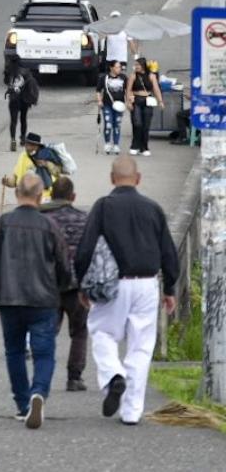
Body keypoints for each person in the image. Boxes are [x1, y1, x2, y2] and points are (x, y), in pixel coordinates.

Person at [74, 157, 179, 426]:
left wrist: (82, 283)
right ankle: (131, 411)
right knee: (141, 346)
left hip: (112, 283)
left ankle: (113, 375)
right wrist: (169, 287)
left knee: (102, 332)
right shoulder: (153, 208)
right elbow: (168, 250)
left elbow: (85, 248)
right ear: (138, 178)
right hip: (147, 283)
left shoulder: (103, 206)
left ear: (112, 179)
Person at [0, 172, 73, 430]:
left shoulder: (2, 223)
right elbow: (63, 264)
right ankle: (39, 392)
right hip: (43, 299)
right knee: (44, 353)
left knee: (15, 352)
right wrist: (62, 289)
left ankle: (22, 405)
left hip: (9, 298)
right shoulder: (49, 226)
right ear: (41, 196)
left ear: (16, 193)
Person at [40, 176, 90, 392]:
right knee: (79, 331)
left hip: (48, 285)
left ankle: (43, 374)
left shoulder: (42, 219)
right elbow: (89, 252)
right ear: (73, 196)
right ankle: (74, 377)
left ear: (51, 195)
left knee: (46, 332)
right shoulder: (84, 219)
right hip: (76, 285)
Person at [2, 132, 62, 200]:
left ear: (38, 146)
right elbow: (16, 178)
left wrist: (46, 164)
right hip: (25, 196)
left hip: (44, 197)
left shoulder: (47, 156)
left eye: (32, 145)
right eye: (27, 144)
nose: (28, 147)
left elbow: (57, 173)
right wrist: (8, 182)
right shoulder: (23, 156)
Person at [126, 56, 163, 156]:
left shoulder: (151, 76)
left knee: (146, 125)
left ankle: (144, 147)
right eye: (135, 65)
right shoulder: (133, 76)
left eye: (138, 65)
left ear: (143, 66)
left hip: (148, 100)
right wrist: (128, 102)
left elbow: (156, 89)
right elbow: (128, 89)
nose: (136, 67)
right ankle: (135, 146)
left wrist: (160, 101)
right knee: (137, 123)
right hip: (136, 100)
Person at [3, 56, 39, 152]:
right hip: (24, 100)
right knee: (23, 119)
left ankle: (13, 140)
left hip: (13, 100)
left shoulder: (9, 72)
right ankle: (23, 139)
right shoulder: (26, 71)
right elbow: (31, 84)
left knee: (13, 121)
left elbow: (6, 82)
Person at [95, 60, 129, 154]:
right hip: (107, 105)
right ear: (111, 68)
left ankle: (116, 144)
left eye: (120, 67)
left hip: (119, 105)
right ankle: (107, 143)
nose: (119, 69)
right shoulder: (104, 77)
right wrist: (99, 100)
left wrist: (128, 101)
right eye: (117, 67)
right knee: (108, 124)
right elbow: (98, 90)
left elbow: (127, 90)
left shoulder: (123, 77)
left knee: (117, 124)